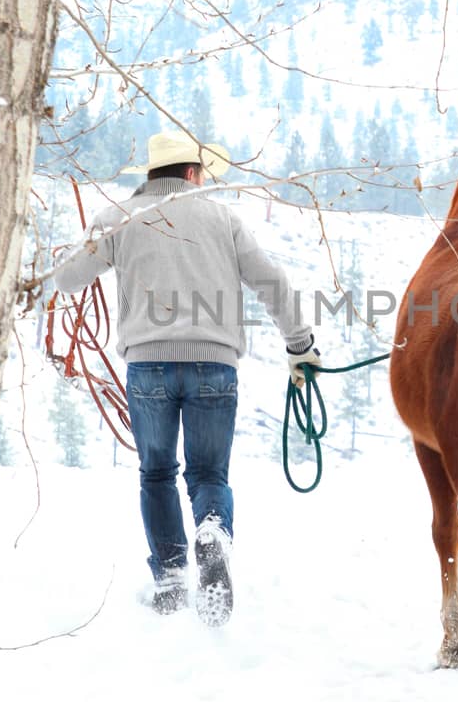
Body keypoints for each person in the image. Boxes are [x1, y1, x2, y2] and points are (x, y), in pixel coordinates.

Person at [53, 130, 320, 622]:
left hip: (148, 367)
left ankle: (172, 582)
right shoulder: (222, 217)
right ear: (193, 173)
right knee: (208, 474)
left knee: (157, 473)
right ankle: (213, 533)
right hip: (214, 365)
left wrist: (85, 243)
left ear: (152, 174)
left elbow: (67, 278)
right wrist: (299, 343)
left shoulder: (121, 217)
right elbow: (271, 281)